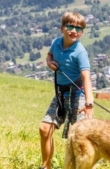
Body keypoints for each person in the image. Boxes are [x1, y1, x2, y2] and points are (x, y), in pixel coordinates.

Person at [39, 12, 94, 169]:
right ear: (62, 28)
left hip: (78, 94)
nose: (74, 31)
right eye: (70, 26)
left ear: (82, 32)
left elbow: (86, 78)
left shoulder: (80, 52)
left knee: (80, 138)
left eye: (79, 28)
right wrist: (49, 63)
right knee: (44, 129)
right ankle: (46, 166)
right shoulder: (56, 43)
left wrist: (89, 103)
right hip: (60, 93)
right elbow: (49, 55)